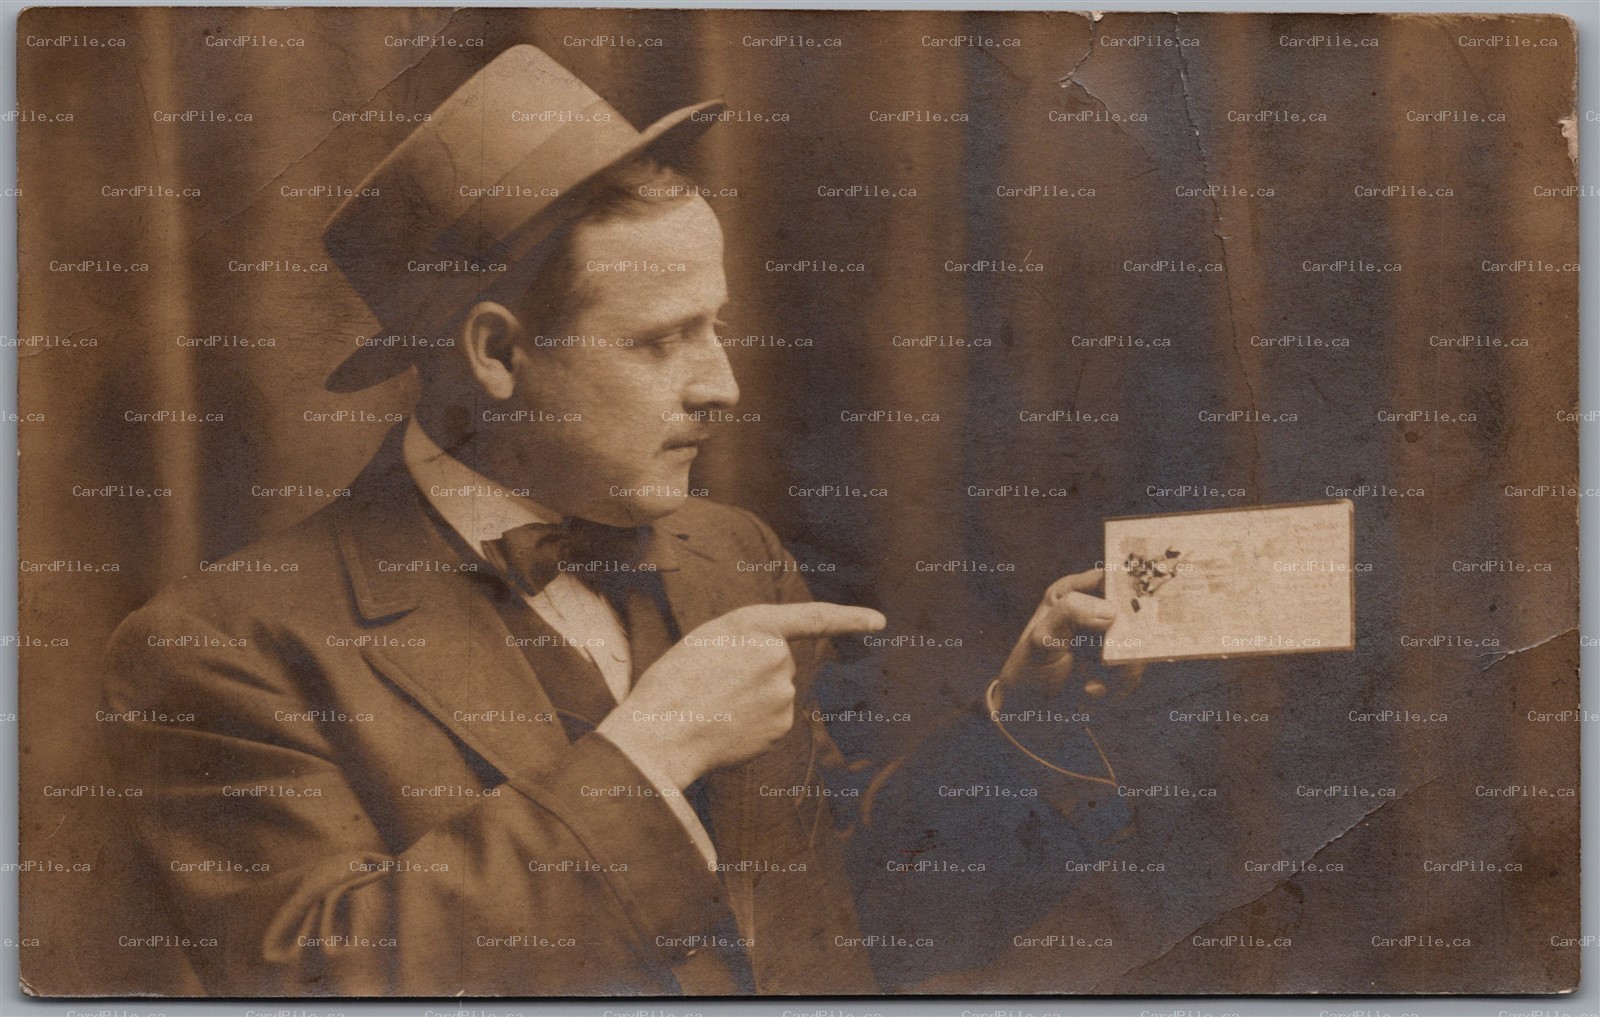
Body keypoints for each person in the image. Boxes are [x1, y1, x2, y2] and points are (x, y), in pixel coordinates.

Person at [105, 44, 1137, 996]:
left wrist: (1021, 722)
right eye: (658, 341)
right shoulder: (223, 649)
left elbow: (847, 919)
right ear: (497, 354)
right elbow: (317, 984)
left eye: (716, 327)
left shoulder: (733, 557)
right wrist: (647, 755)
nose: (722, 386)